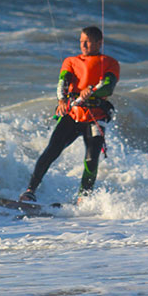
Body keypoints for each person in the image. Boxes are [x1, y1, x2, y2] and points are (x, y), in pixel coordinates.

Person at [19, 25, 120, 203]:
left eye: (88, 42)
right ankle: (30, 190)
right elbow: (62, 82)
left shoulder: (110, 63)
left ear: (99, 43)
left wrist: (92, 91)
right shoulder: (71, 61)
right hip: (73, 114)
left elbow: (108, 86)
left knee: (91, 159)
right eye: (81, 41)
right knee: (51, 151)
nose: (83, 45)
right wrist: (61, 100)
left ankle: (83, 198)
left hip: (96, 118)